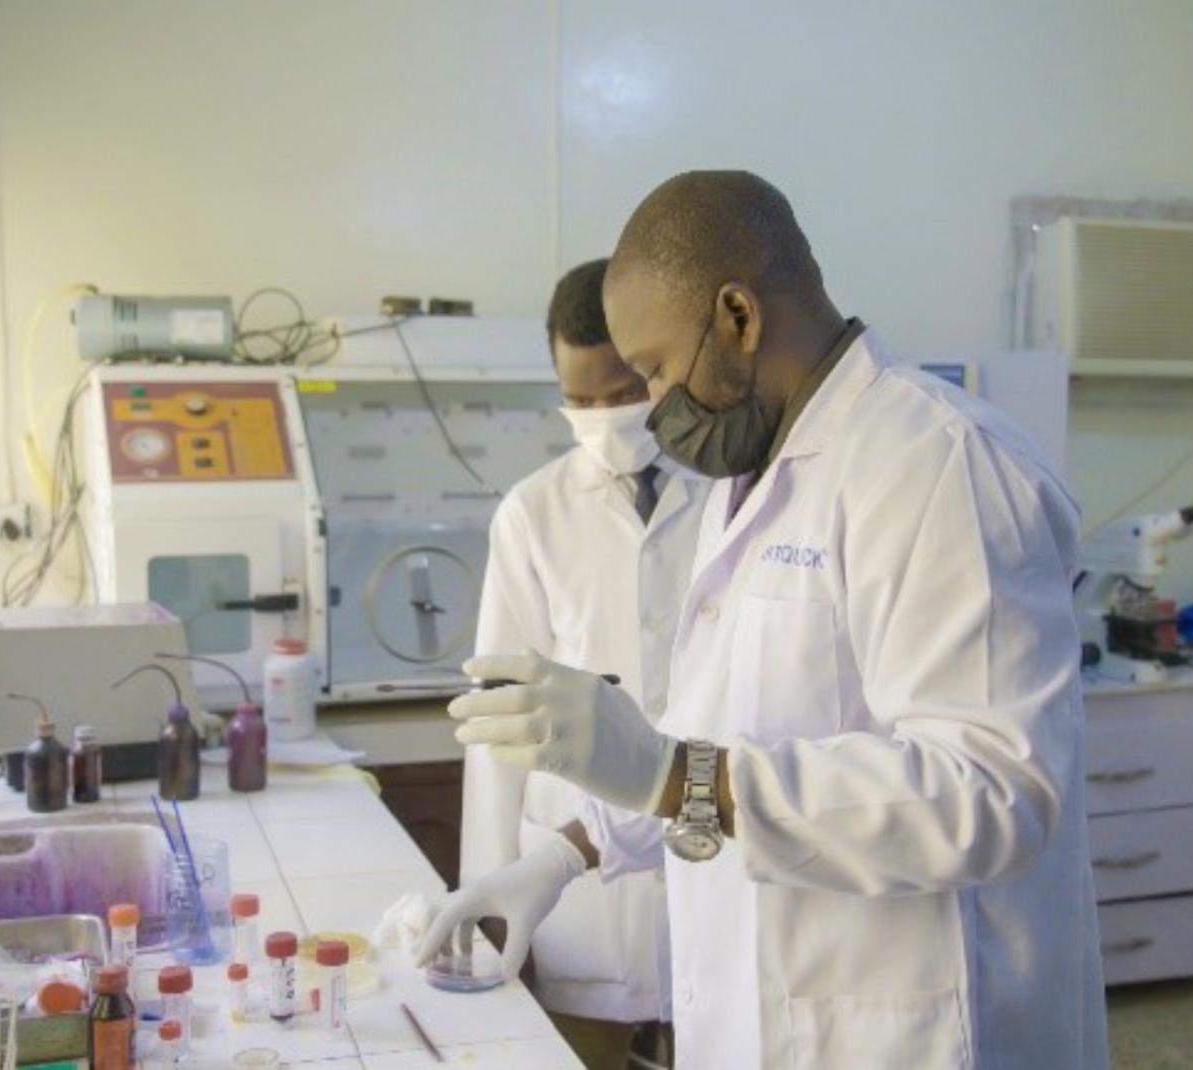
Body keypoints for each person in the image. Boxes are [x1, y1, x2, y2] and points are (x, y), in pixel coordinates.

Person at [419, 172, 1109, 1068]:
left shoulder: (938, 466)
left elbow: (991, 790)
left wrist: (675, 778)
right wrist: (566, 854)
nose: (656, 413)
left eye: (658, 371)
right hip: (773, 1011)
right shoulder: (743, 486)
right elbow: (716, 732)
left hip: (918, 1025)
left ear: (738, 315)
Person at [460, 258, 709, 1068]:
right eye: (580, 402)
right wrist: (485, 894)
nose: (603, 418)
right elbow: (501, 721)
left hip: (712, 855)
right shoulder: (533, 515)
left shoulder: (736, 489)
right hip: (577, 887)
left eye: (621, 396)